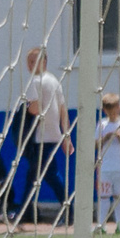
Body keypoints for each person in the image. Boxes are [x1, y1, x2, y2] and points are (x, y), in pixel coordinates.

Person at [16, 48, 71, 228]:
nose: (31, 65)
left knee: (50, 176)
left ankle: (70, 211)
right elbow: (63, 110)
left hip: (41, 137)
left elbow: (35, 108)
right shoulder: (54, 81)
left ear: (44, 62)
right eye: (29, 61)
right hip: (52, 135)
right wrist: (66, 135)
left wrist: (23, 109)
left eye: (35, 61)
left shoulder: (35, 81)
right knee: (33, 176)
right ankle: (21, 215)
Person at [95, 92, 120, 232]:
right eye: (108, 111)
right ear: (104, 110)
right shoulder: (102, 124)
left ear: (119, 108)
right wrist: (105, 138)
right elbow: (95, 145)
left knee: (119, 196)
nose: (112, 114)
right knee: (104, 196)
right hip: (104, 167)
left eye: (114, 111)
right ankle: (101, 224)